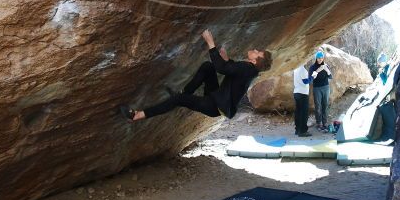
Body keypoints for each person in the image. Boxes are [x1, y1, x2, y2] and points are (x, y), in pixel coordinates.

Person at [120, 30, 272, 122]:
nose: (254, 49)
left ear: (255, 60)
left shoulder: (248, 69)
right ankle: (185, 94)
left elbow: (222, 69)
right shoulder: (250, 70)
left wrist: (210, 43)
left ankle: (137, 116)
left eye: (257, 52)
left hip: (214, 106)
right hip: (216, 98)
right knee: (207, 67)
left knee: (178, 100)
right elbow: (232, 70)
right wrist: (228, 60)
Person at [309, 50, 332, 131]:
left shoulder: (326, 66)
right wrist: (317, 71)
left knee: (325, 105)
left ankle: (325, 122)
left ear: (323, 58)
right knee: (318, 106)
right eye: (318, 58)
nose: (320, 60)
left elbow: (330, 77)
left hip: (326, 87)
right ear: (316, 58)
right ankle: (319, 123)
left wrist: (326, 70)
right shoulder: (312, 67)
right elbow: (311, 79)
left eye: (321, 58)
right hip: (317, 88)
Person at [293, 62, 311, 137]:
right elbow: (305, 82)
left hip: (296, 92)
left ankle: (297, 130)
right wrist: (312, 76)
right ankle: (303, 131)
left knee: (298, 112)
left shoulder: (295, 69)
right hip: (303, 93)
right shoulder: (302, 70)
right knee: (304, 113)